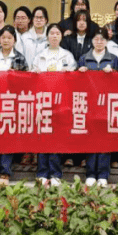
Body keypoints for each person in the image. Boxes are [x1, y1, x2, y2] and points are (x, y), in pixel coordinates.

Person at [0, 28, 29, 186]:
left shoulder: (20, 58)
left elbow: (27, 82)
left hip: (12, 102)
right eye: (3, 37)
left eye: (9, 38)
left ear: (14, 40)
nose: (6, 40)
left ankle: (5, 172)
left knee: (8, 137)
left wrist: (15, 77)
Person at [33, 24, 76, 185]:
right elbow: (32, 75)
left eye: (57, 33)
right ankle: (42, 172)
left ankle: (55, 173)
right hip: (43, 100)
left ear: (61, 37)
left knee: (57, 138)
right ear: (47, 36)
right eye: (51, 33)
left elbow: (74, 77)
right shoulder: (40, 56)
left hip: (60, 100)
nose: (54, 36)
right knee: (43, 137)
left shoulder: (67, 56)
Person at [77, 30, 118, 186]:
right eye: (96, 38)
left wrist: (113, 73)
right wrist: (80, 73)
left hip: (107, 105)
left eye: (102, 39)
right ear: (92, 41)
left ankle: (103, 174)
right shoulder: (84, 58)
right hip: (89, 104)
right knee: (90, 138)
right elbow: (76, 82)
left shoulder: (113, 59)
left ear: (107, 41)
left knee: (104, 139)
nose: (99, 41)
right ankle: (90, 173)